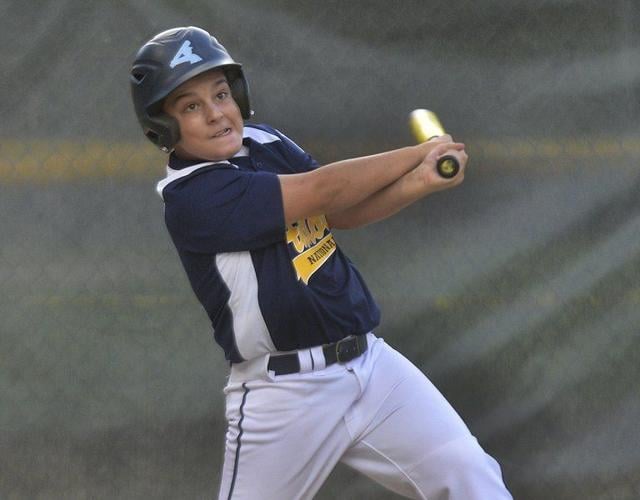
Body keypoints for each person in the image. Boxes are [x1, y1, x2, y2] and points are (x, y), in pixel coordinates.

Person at [130, 26, 512, 500]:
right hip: (284, 395)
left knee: (469, 473)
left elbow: (336, 212)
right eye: (190, 106)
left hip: (371, 368)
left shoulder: (263, 141)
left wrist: (420, 181)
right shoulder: (194, 197)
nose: (215, 113)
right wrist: (419, 152)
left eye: (222, 93)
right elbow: (321, 189)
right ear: (163, 129)